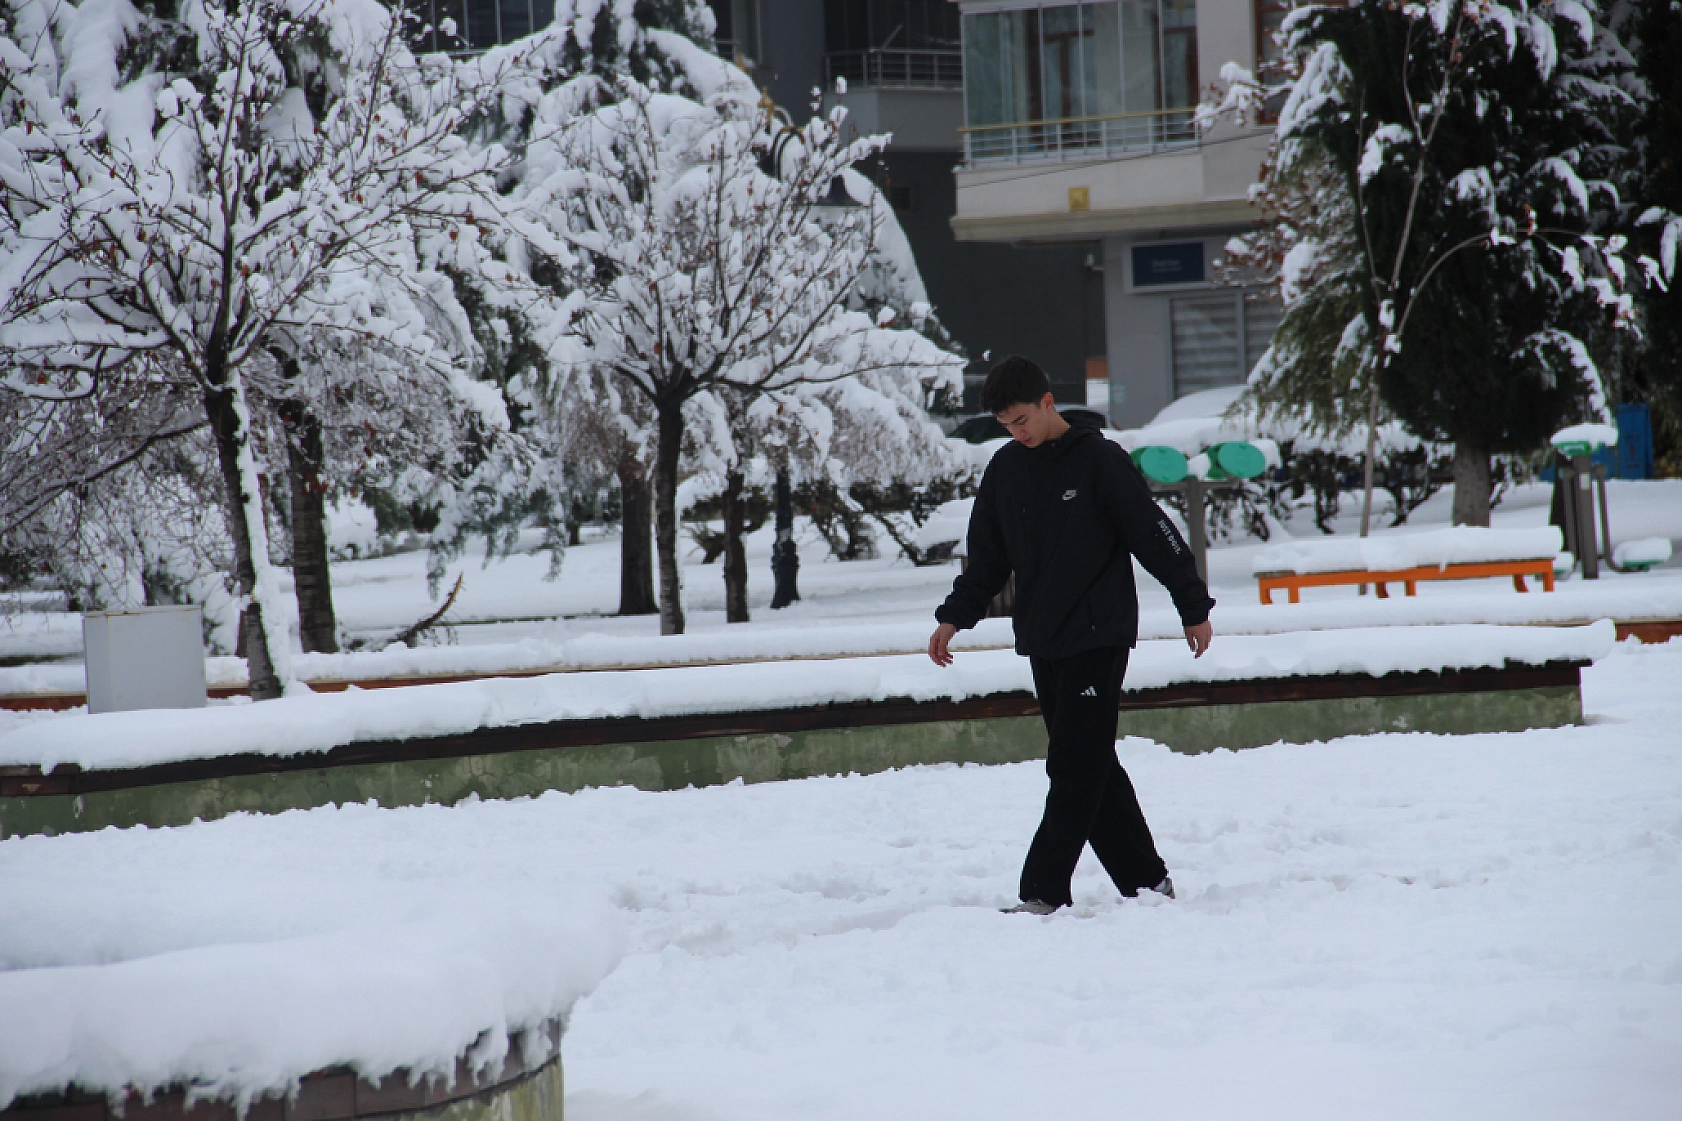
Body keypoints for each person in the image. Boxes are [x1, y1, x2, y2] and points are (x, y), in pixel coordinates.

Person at [928, 356, 1215, 915]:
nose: (1016, 432)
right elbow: (986, 562)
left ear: (1047, 402)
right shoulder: (1006, 472)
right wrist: (952, 617)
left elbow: (1154, 534)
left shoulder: (1099, 462)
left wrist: (1192, 604)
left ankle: (1042, 889)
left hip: (1098, 634)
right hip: (1043, 638)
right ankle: (1147, 882)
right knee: (1091, 762)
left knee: (1073, 764)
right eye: (1006, 425)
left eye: (1021, 419)